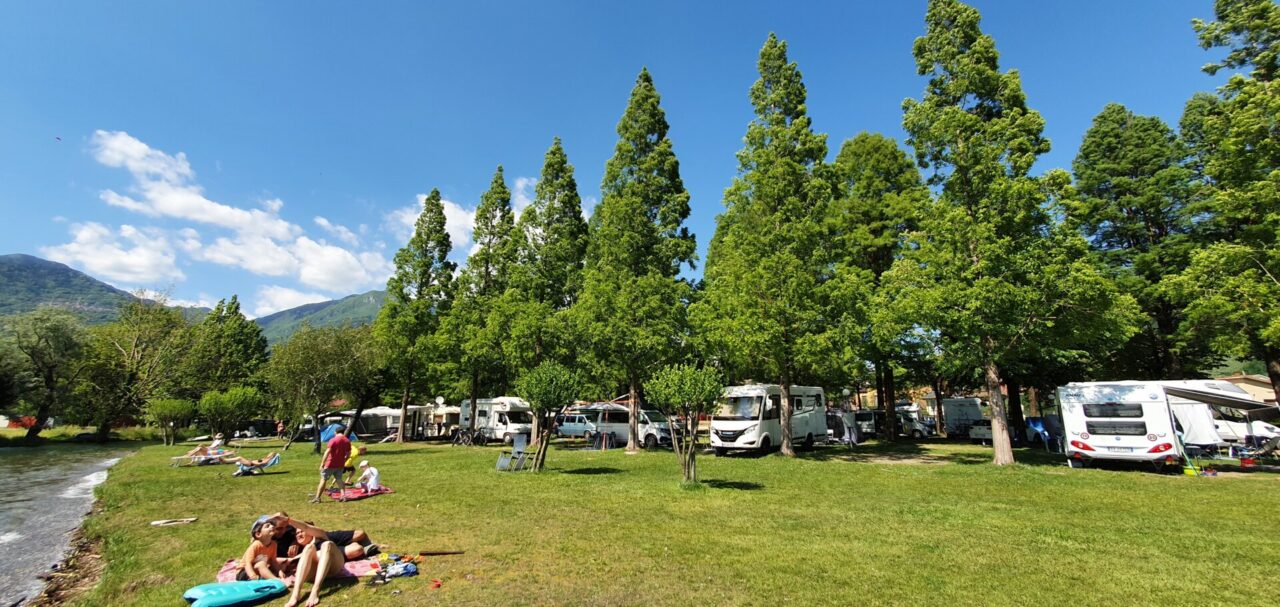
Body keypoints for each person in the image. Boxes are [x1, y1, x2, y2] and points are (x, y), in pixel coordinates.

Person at [237, 517, 288, 584]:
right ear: (258, 534)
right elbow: (247, 564)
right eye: (267, 526)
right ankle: (277, 581)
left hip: (259, 570)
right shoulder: (256, 545)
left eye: (272, 525)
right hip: (245, 572)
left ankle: (267, 578)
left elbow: (273, 561)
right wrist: (253, 576)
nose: (272, 526)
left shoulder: (273, 545)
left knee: (282, 566)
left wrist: (279, 571)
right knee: (261, 564)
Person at [312, 424, 351, 503]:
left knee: (323, 479)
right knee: (339, 479)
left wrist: (322, 463)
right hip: (340, 464)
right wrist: (344, 460)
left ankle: (317, 498)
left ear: (336, 432)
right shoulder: (347, 441)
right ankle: (343, 496)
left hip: (330, 463)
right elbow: (348, 454)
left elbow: (327, 452)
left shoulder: (333, 440)